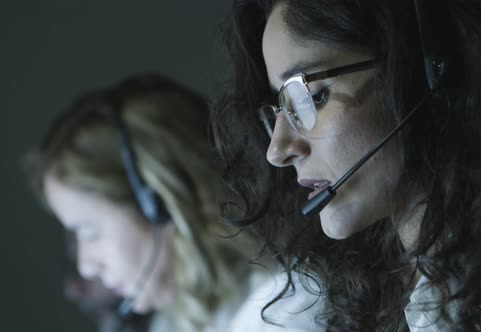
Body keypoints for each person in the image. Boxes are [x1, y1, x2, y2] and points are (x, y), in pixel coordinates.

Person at [212, 0, 481, 331]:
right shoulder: (400, 304)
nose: (278, 150)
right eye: (280, 107)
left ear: (433, 74)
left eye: (310, 96)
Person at [27, 73, 322, 332]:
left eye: (90, 232)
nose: (87, 266)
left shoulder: (288, 313)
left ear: (161, 204)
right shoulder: (178, 320)